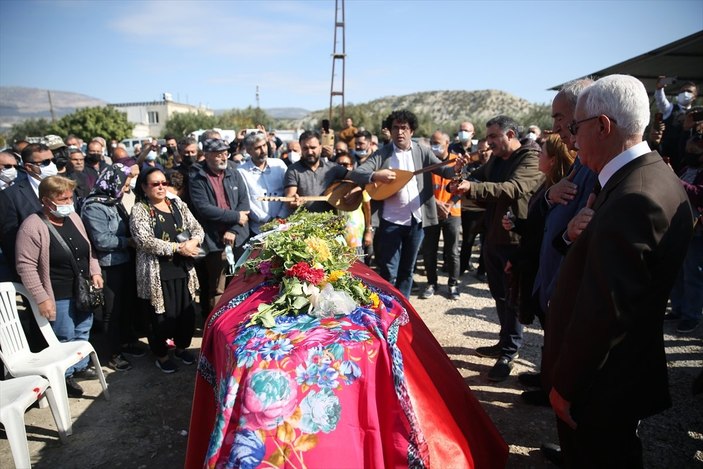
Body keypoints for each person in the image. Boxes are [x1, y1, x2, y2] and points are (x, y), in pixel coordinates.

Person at [543, 74, 693, 468]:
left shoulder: (636, 196)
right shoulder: (643, 179)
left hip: (599, 386)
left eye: (575, 128)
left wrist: (566, 386)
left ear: (603, 126)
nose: (571, 141)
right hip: (610, 379)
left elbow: (606, 311)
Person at [451, 115, 542, 382]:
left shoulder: (530, 158)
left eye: (493, 137)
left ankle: (509, 352)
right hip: (492, 237)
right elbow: (476, 179)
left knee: (512, 299)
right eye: (487, 137)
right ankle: (503, 343)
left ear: (511, 134)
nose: (488, 142)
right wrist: (461, 177)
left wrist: (472, 188)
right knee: (500, 296)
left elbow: (513, 189)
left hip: (514, 241)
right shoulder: (496, 159)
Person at [348, 110, 457, 299]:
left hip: (416, 221)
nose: (400, 132)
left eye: (404, 128)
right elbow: (356, 174)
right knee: (389, 271)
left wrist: (458, 166)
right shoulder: (382, 154)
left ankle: (404, 308)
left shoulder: (421, 150)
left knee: (408, 270)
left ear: (412, 131)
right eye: (395, 128)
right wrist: (376, 175)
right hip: (390, 222)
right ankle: (388, 309)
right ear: (389, 131)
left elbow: (444, 171)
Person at [16, 175, 104, 397]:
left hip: (82, 288)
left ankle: (78, 366)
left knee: (83, 329)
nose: (68, 203)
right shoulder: (32, 227)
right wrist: (42, 298)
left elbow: (88, 247)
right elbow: (26, 267)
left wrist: (95, 271)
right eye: (62, 199)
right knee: (64, 336)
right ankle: (65, 376)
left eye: (69, 197)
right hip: (58, 292)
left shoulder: (73, 217)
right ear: (46, 200)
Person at [130, 167, 205, 373]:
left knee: (185, 315)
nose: (161, 187)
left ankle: (181, 348)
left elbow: (197, 227)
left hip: (182, 270)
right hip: (157, 274)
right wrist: (178, 247)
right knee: (158, 318)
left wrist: (195, 241)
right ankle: (161, 355)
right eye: (155, 184)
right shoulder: (140, 209)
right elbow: (144, 240)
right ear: (144, 187)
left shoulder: (176, 204)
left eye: (164, 182)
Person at [81, 163, 144, 372]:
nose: (127, 187)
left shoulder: (112, 201)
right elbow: (101, 240)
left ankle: (126, 342)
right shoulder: (94, 206)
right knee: (111, 311)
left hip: (124, 261)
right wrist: (128, 241)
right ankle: (112, 353)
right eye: (125, 183)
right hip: (109, 266)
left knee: (125, 306)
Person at [189, 138, 250, 312]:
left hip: (238, 239)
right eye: (219, 155)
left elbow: (244, 204)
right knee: (218, 288)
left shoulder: (233, 171)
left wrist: (234, 229)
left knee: (239, 284)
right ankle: (214, 326)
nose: (224, 158)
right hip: (214, 241)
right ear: (207, 156)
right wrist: (235, 216)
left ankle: (235, 324)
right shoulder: (197, 176)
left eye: (226, 153)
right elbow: (204, 208)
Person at [668, 110, 703, 333]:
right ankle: (678, 308)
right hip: (680, 229)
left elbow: (699, 193)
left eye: (694, 151)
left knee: (693, 274)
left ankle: (691, 314)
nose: (689, 152)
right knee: (677, 272)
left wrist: (677, 183)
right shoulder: (686, 169)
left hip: (697, 231)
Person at [0, 143, 53, 281]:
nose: (51, 165)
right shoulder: (11, 195)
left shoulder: (65, 188)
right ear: (29, 167)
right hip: (35, 274)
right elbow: (10, 239)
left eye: (52, 160)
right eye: (46, 162)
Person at [420, 131, 461, 300]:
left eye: (437, 142)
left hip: (452, 212)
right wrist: (436, 204)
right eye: (432, 142)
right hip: (432, 211)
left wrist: (448, 205)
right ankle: (431, 283)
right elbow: (422, 187)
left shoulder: (457, 161)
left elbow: (462, 186)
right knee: (430, 250)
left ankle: (453, 284)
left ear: (447, 142)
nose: (434, 145)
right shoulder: (427, 162)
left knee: (452, 251)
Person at [236, 132, 289, 238]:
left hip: (283, 225)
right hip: (258, 230)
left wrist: (281, 217)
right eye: (258, 148)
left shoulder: (279, 165)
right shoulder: (241, 171)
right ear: (249, 151)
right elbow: (246, 201)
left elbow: (288, 192)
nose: (263, 151)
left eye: (264, 145)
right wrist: (267, 219)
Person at [283, 130, 349, 213]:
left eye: (313, 148)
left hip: (331, 221)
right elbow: (290, 197)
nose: (309, 152)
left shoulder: (333, 168)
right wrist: (293, 202)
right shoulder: (293, 170)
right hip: (303, 222)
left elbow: (355, 177)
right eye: (305, 148)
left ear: (320, 147)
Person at [459, 139, 490, 279]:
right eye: (481, 150)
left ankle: (482, 271)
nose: (484, 153)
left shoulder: (496, 167)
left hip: (488, 211)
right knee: (467, 242)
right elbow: (465, 182)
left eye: (486, 150)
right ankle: (462, 266)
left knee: (486, 243)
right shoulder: (471, 167)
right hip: (471, 211)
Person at [655, 77, 698, 173]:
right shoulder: (670, 109)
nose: (685, 93)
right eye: (683, 91)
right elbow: (661, 101)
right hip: (669, 157)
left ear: (694, 96)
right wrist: (659, 88)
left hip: (687, 160)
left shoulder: (697, 113)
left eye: (689, 91)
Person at [335, 153, 372, 258]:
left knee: (358, 267)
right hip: (338, 236)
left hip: (356, 236)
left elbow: (368, 209)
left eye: (346, 164)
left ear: (352, 166)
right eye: (339, 165)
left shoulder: (360, 186)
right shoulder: (332, 186)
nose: (343, 167)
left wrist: (368, 232)